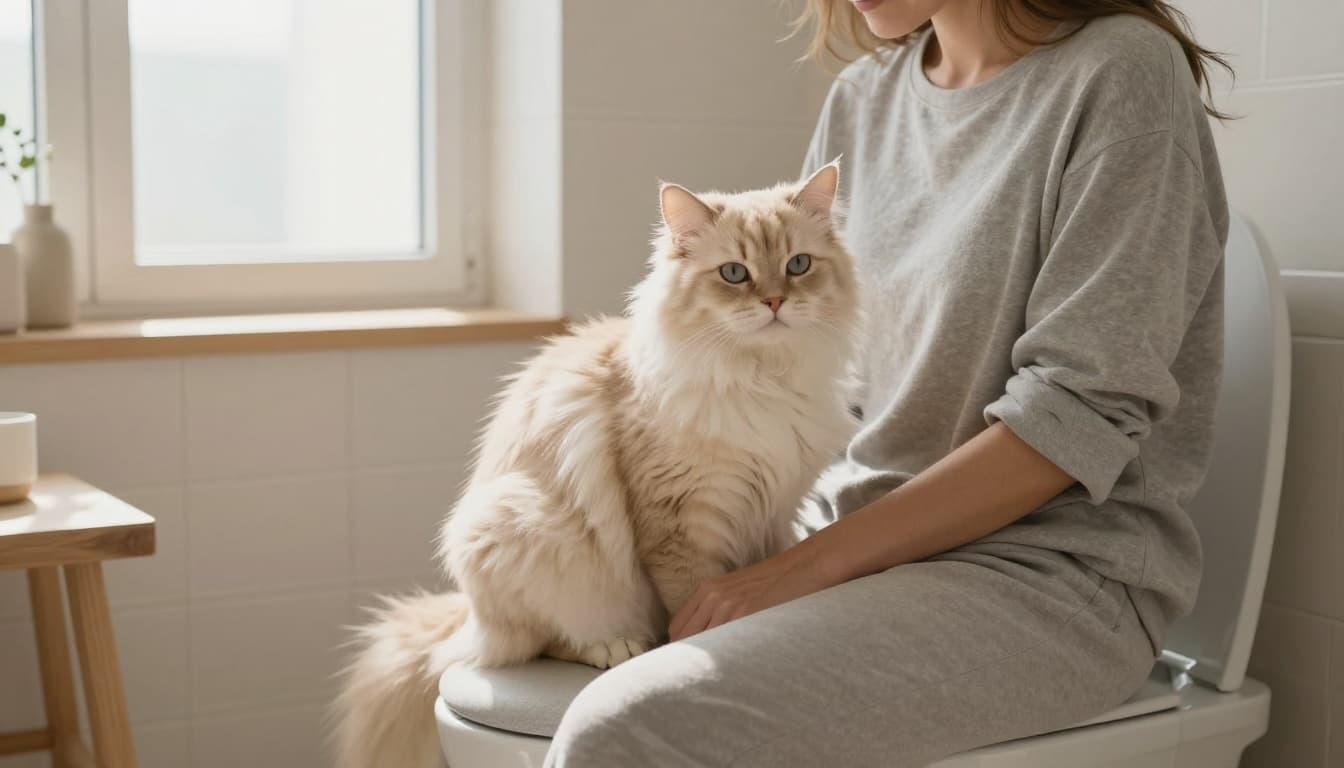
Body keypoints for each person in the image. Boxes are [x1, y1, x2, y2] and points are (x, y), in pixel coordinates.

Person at [546, 0, 1230, 764]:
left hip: (1049, 574)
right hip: (857, 539)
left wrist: (799, 569)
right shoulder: (865, 98)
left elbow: (1076, 414)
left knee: (626, 727)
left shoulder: (1120, 73)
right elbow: (831, 372)